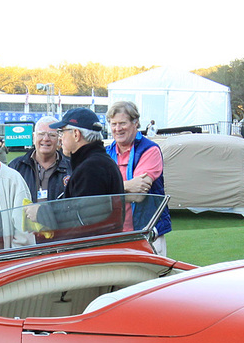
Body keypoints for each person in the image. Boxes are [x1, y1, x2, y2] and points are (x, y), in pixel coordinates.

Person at [106, 100, 171, 255]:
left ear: (136, 123)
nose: (117, 128)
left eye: (122, 123)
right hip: (114, 235)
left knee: (152, 279)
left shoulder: (150, 150)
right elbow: (95, 195)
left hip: (147, 235)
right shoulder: (107, 152)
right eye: (113, 124)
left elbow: (138, 195)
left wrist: (107, 194)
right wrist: (127, 186)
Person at [56, 108, 120, 198]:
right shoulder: (101, 162)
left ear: (76, 134)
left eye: (62, 132)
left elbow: (83, 211)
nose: (60, 138)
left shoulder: (90, 169)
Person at [9, 116, 71, 202]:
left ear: (59, 140)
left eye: (52, 135)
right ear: (34, 138)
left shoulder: (71, 169)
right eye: (41, 134)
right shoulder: (16, 167)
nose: (46, 139)